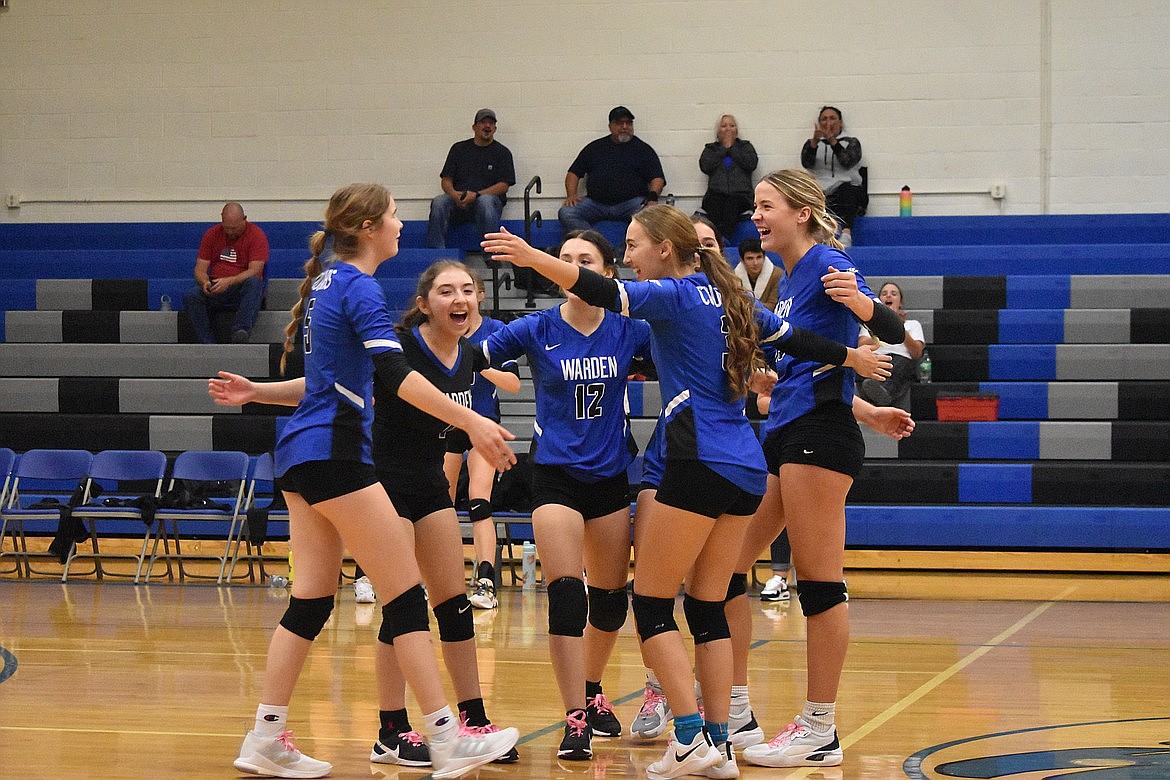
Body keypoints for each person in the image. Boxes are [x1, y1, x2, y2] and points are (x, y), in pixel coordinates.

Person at [484, 204, 890, 780]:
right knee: (708, 605)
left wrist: (533, 259)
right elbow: (798, 340)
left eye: (633, 244)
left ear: (665, 250)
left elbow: (595, 287)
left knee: (650, 605)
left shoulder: (672, 295)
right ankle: (720, 744)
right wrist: (851, 357)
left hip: (695, 457)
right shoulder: (733, 299)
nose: (628, 256)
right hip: (749, 466)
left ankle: (690, 736)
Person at [208, 183, 518, 779]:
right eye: (397, 216)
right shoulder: (358, 286)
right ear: (372, 226)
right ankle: (447, 737)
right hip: (339, 457)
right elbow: (395, 376)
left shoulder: (327, 283)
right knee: (405, 596)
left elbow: (328, 382)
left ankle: (264, 736)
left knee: (311, 599)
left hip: (299, 454)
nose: (402, 225)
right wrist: (475, 420)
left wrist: (256, 395)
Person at [740, 168, 906, 770]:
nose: (756, 216)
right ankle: (732, 709)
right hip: (787, 431)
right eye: (754, 207)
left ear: (802, 213)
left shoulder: (827, 261)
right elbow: (819, 370)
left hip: (817, 439)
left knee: (817, 579)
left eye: (767, 206)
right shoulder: (784, 282)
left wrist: (864, 303)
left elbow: (888, 334)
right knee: (729, 565)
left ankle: (820, 728)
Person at [480, 229, 651, 762]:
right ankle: (574, 715)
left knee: (609, 602)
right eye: (566, 259)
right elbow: (469, 356)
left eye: (586, 260)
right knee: (566, 595)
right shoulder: (536, 328)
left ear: (606, 271)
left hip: (608, 477)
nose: (573, 267)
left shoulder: (629, 329)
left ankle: (594, 689)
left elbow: (689, 352)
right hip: (553, 476)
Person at [441, 268, 521, 610]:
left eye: (469, 291)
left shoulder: (496, 332)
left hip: (483, 425)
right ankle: (440, 577)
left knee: (478, 498)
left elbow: (514, 384)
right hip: (445, 427)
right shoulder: (437, 332)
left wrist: (478, 363)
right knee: (437, 504)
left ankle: (486, 577)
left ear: (480, 296)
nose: (462, 299)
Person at [558, 106, 665, 234]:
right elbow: (573, 173)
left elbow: (657, 178)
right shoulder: (595, 148)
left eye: (628, 123)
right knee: (566, 212)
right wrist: (571, 195)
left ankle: (624, 251)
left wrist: (652, 198)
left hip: (631, 204)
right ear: (610, 126)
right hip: (595, 203)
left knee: (652, 215)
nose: (625, 127)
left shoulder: (644, 150)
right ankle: (596, 244)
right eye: (620, 123)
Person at [426, 108, 516, 249]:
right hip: (459, 202)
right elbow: (446, 180)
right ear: (474, 127)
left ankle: (491, 255)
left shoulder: (502, 153)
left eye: (491, 124)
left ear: (495, 128)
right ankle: (436, 253)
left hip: (487, 204)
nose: (487, 126)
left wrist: (477, 195)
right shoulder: (458, 149)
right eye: (483, 122)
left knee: (485, 201)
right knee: (439, 201)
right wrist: (454, 194)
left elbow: (504, 185)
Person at [183, 202, 269, 344]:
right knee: (191, 296)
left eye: (234, 228)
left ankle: (240, 331)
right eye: (227, 228)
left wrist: (229, 281)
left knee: (254, 284)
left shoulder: (257, 235)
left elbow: (255, 270)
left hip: (240, 287)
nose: (230, 232)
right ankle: (206, 342)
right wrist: (205, 282)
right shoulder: (211, 234)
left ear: (244, 219)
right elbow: (200, 269)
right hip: (216, 285)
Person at [800, 106, 865, 247]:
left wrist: (832, 140)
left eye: (832, 118)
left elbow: (847, 161)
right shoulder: (812, 144)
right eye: (824, 119)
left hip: (845, 187)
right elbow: (806, 162)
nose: (828, 122)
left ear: (840, 122)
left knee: (848, 193)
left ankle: (846, 234)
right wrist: (814, 143)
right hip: (820, 188)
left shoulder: (851, 142)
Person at [857, 282, 926, 409]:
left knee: (900, 364)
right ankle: (877, 391)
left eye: (893, 294)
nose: (888, 296)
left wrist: (898, 327)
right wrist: (882, 327)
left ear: (900, 303)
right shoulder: (868, 325)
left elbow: (917, 353)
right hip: (876, 359)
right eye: (884, 294)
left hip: (900, 361)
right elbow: (861, 345)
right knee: (864, 364)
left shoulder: (913, 324)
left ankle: (883, 393)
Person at [699, 114, 759, 241]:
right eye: (724, 126)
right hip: (715, 194)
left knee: (732, 204)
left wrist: (732, 149)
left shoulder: (745, 147)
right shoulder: (711, 149)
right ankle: (715, 239)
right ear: (718, 131)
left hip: (741, 195)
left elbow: (751, 164)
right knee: (715, 205)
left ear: (737, 131)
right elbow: (705, 166)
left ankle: (724, 239)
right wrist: (723, 149)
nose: (728, 129)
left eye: (732, 126)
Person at [733, 237, 780, 312]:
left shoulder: (778, 275)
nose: (755, 263)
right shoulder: (733, 277)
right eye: (750, 258)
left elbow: (773, 306)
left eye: (759, 257)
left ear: (764, 258)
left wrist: (745, 306)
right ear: (742, 260)